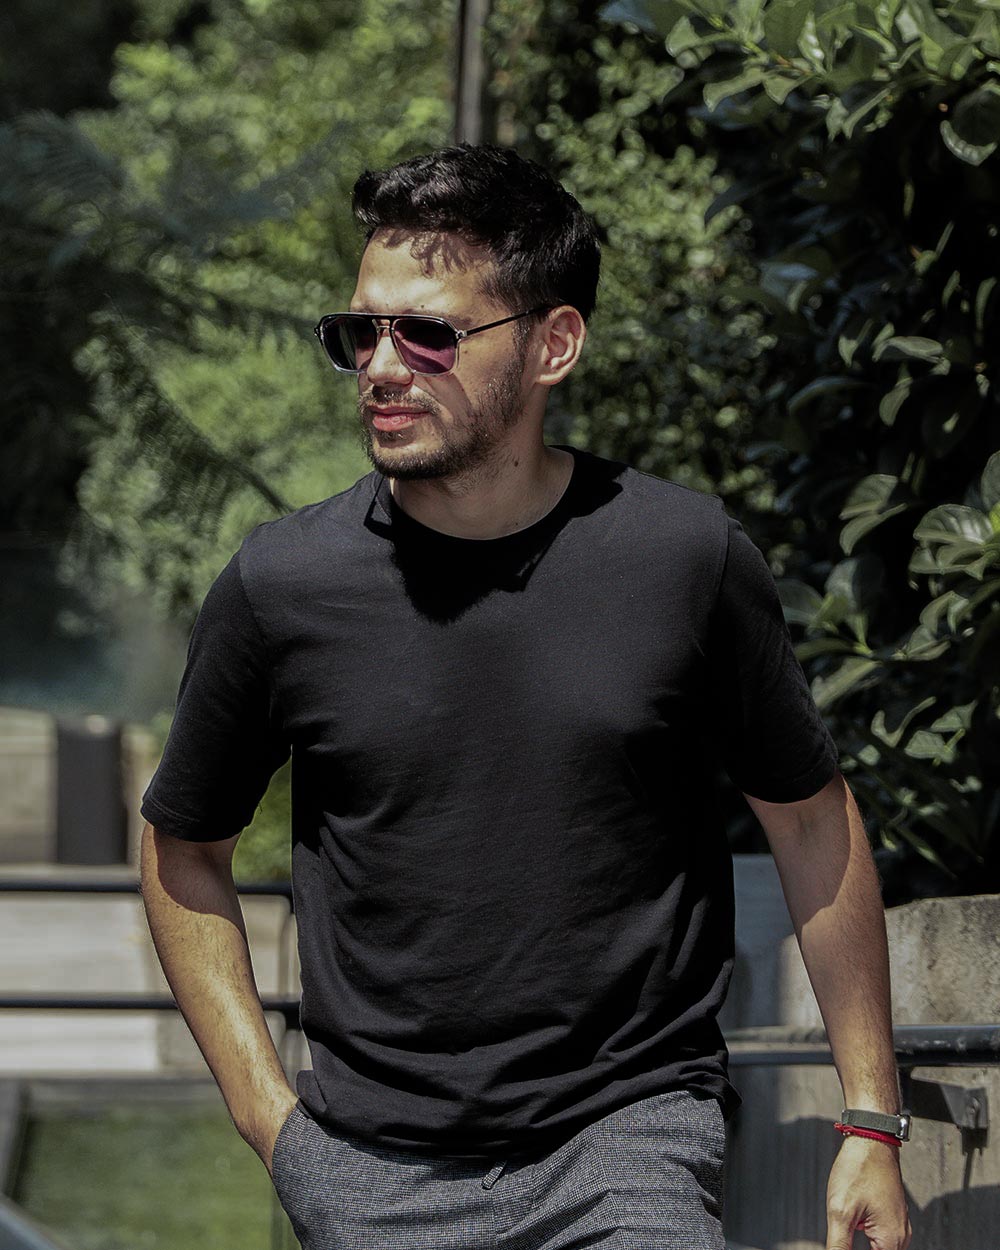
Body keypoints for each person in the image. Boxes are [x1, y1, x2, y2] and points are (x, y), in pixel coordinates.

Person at [139, 144, 911, 1250]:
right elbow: (182, 849)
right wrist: (275, 1125)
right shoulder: (282, 584)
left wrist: (871, 1118)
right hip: (370, 1172)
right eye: (362, 331)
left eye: (428, 334)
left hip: (627, 1141)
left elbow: (810, 818)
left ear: (553, 343)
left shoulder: (683, 558)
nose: (382, 366)